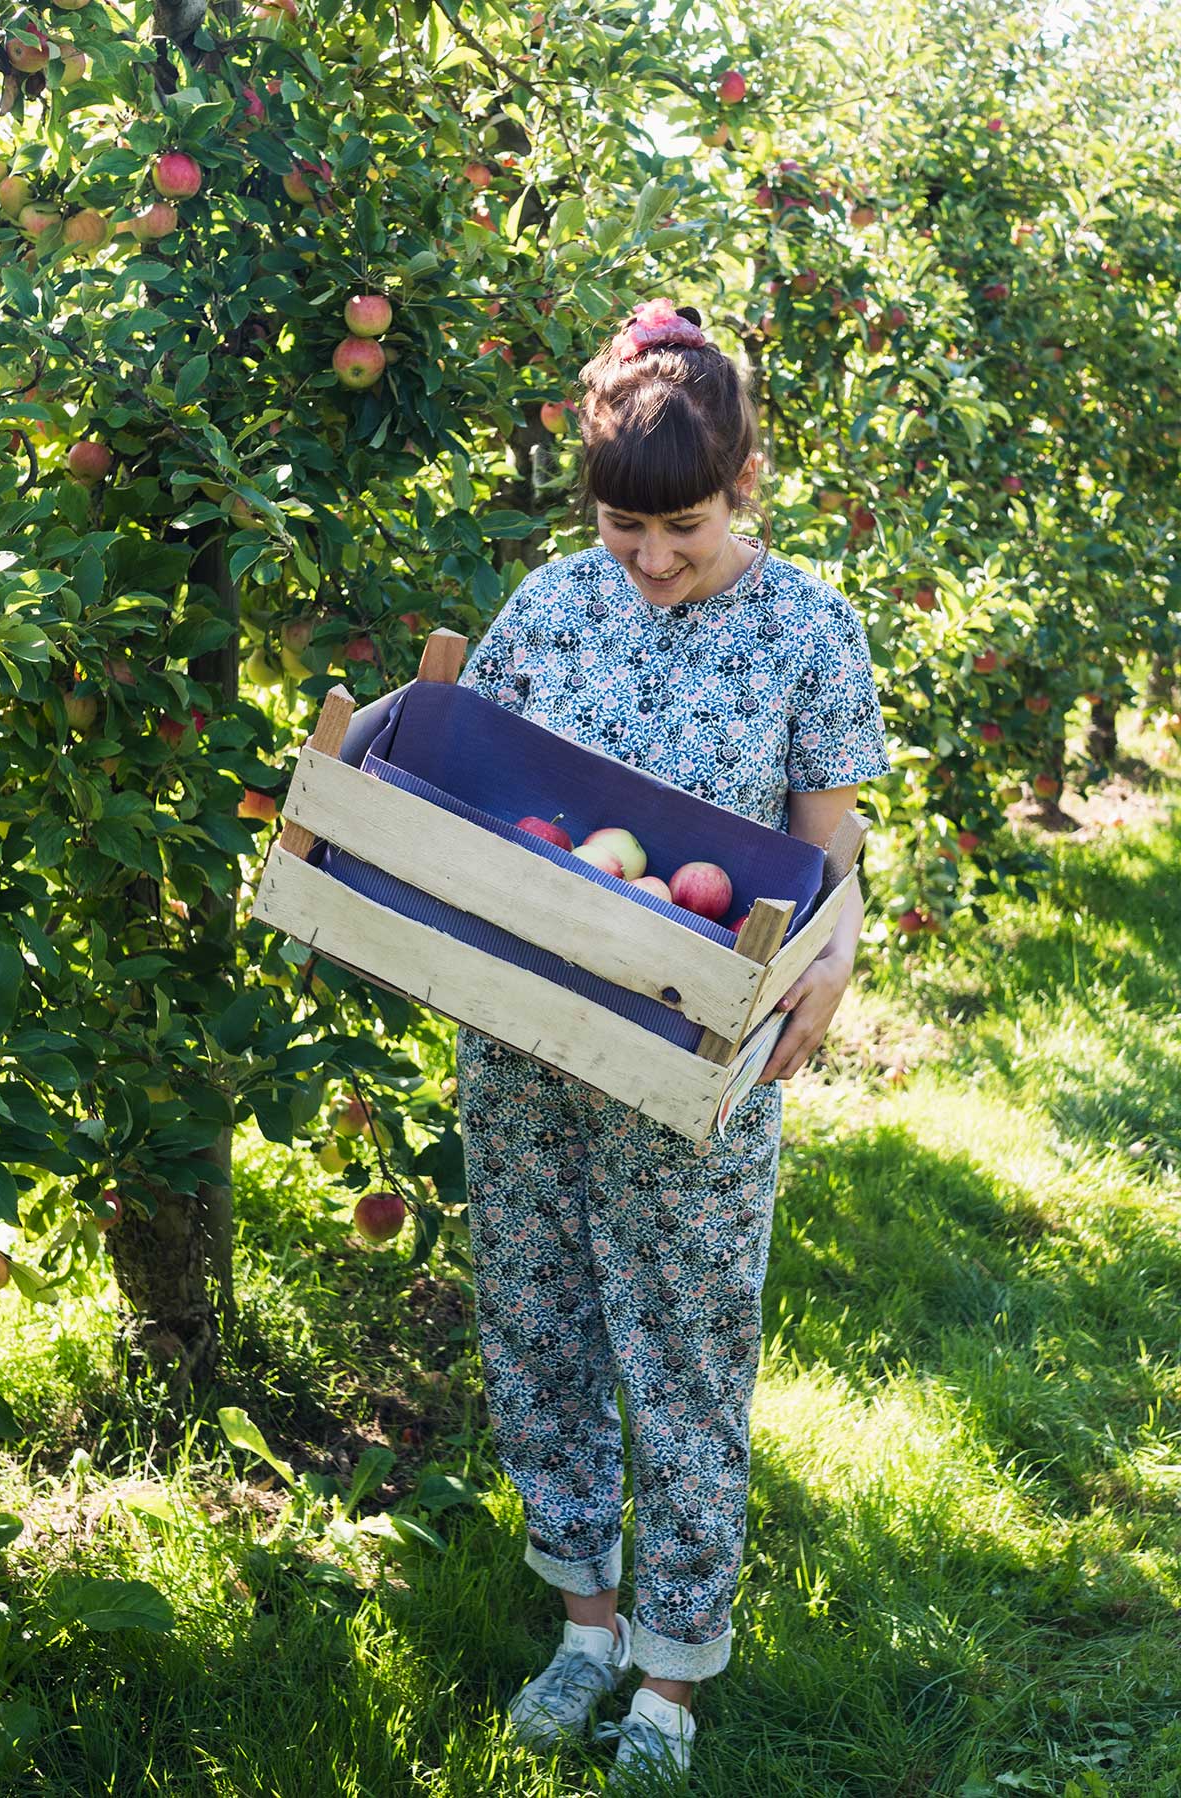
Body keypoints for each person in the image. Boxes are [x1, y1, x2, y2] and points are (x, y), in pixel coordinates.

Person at [452, 296, 891, 1788]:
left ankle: (674, 1671)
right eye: (627, 526)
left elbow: (830, 864)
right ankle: (583, 1627)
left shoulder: (811, 630)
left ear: (743, 484)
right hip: (522, 1039)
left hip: (691, 1059)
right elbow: (471, 795)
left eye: (684, 528)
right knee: (538, 1321)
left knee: (686, 1352)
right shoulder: (555, 603)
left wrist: (833, 958)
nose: (649, 560)